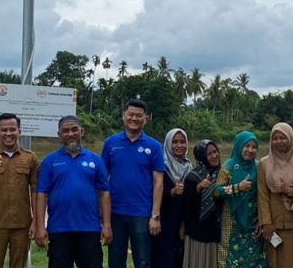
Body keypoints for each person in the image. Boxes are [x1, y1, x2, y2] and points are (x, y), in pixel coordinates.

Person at [35, 115, 112, 268]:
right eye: (65, 131)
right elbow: (41, 194)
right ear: (59, 135)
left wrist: (107, 225)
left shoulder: (95, 160)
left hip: (90, 228)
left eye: (74, 129)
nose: (70, 134)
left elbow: (104, 193)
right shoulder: (50, 161)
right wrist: (40, 227)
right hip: (59, 228)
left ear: (82, 132)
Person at [101, 99, 165, 268]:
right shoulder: (110, 143)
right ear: (124, 116)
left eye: (139, 116)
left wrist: (155, 216)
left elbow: (159, 182)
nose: (134, 119)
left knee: (143, 261)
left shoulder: (154, 146)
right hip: (115, 212)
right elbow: (101, 179)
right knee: (115, 260)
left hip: (141, 213)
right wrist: (101, 211)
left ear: (146, 118)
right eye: (131, 115)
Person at [0, 113, 39, 268]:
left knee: (19, 264)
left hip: (22, 224)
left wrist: (36, 222)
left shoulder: (30, 157)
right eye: (4, 130)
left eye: (12, 129)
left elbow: (35, 191)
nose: (8, 133)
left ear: (19, 131)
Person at [216, 131, 266, 268]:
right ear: (238, 146)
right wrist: (237, 187)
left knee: (254, 261)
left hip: (253, 224)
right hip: (232, 223)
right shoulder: (228, 167)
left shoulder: (258, 166)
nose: (250, 150)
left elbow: (263, 195)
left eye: (254, 147)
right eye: (246, 146)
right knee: (231, 260)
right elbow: (216, 191)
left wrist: (262, 220)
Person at [257, 122, 293, 268]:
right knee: (274, 261)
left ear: (291, 138)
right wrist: (266, 223)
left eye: (282, 138)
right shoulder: (264, 164)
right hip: (274, 223)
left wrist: (289, 190)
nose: (278, 142)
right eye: (274, 138)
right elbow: (262, 196)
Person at [151, 128, 191, 268]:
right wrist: (172, 192)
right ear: (168, 144)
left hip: (181, 223)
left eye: (182, 142)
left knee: (180, 259)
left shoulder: (189, 167)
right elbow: (153, 192)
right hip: (163, 223)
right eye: (174, 142)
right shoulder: (160, 166)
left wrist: (184, 223)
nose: (179, 145)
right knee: (163, 260)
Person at [181, 139, 222, 268]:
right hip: (197, 234)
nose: (214, 156)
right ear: (202, 156)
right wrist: (198, 188)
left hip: (216, 233)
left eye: (215, 151)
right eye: (209, 154)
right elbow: (187, 208)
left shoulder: (224, 174)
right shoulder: (192, 177)